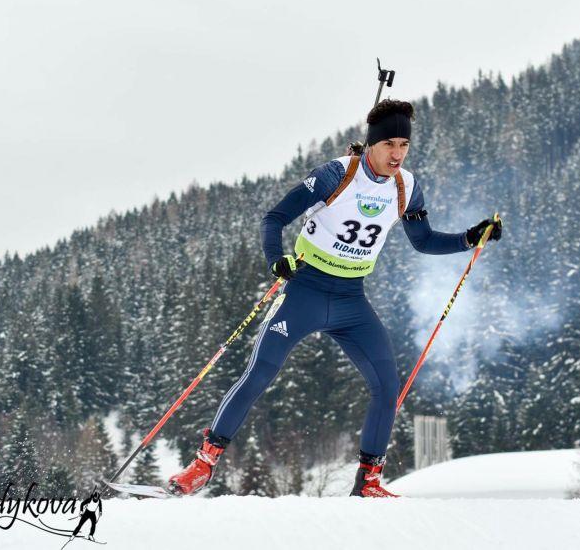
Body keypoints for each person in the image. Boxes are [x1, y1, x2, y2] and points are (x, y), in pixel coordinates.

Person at [168, 99, 501, 497]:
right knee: (260, 372)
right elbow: (273, 218)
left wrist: (469, 238)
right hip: (305, 290)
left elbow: (425, 241)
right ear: (372, 143)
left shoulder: (407, 188)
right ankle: (202, 466)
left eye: (404, 145)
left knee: (387, 384)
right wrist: (277, 261)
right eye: (390, 144)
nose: (397, 154)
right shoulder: (335, 175)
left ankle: (369, 482)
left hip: (351, 301)